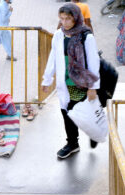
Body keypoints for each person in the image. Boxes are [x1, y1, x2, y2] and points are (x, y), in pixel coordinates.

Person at [42, 3, 100, 159]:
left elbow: (94, 62)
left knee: (79, 113)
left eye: (68, 18)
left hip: (81, 82)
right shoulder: (58, 35)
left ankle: (90, 131)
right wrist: (47, 79)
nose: (64, 22)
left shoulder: (86, 36)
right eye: (62, 19)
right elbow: (53, 57)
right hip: (65, 82)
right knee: (67, 113)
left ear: (76, 18)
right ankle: (72, 143)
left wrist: (93, 87)